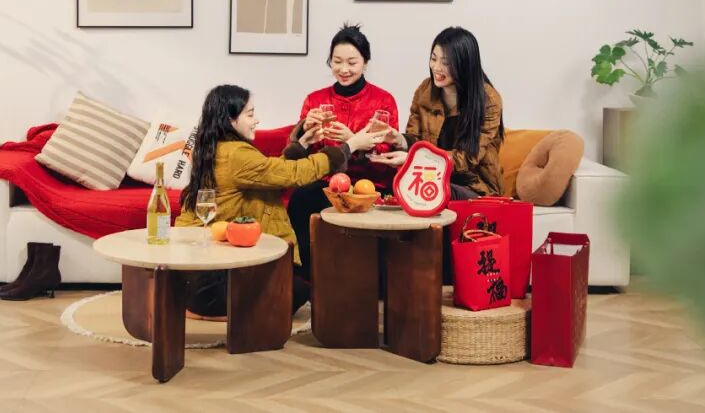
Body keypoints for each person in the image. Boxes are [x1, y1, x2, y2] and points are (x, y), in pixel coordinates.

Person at [175, 84, 384, 320]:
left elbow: (270, 173)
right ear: (230, 119)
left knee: (294, 287)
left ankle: (211, 306)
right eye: (250, 114)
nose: (256, 120)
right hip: (213, 272)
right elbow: (292, 174)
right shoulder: (236, 154)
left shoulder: (219, 147)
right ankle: (217, 311)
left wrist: (302, 143)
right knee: (296, 291)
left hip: (204, 263)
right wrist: (351, 145)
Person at [284, 24, 399, 280]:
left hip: (370, 183)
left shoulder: (383, 100)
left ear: (365, 63)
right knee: (301, 198)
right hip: (328, 184)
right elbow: (302, 155)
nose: (344, 69)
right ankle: (304, 279)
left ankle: (378, 283)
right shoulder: (315, 100)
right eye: (337, 62)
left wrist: (352, 141)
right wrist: (307, 131)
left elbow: (385, 153)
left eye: (352, 62)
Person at [371, 26, 505, 200]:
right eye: (433, 59)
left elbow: (467, 159)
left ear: (464, 64)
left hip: (475, 186)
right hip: (430, 179)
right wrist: (399, 140)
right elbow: (417, 140)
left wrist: (414, 160)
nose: (436, 67)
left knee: (436, 192)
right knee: (397, 191)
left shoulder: (488, 100)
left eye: (446, 63)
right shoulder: (425, 90)